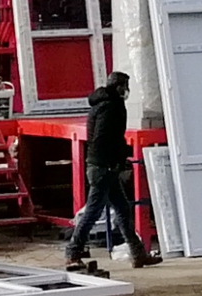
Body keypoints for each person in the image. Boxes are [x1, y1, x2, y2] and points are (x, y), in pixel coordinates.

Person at [62, 71, 157, 273]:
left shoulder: (104, 104)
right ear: (118, 86)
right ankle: (73, 253)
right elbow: (104, 139)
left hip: (105, 167)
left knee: (122, 210)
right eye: (125, 86)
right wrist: (116, 158)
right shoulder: (109, 107)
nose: (127, 90)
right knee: (93, 212)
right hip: (104, 168)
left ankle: (138, 253)